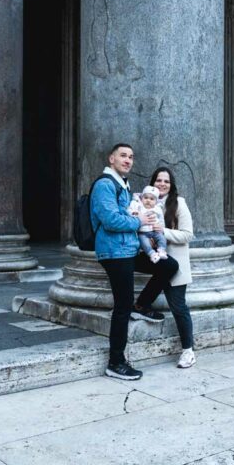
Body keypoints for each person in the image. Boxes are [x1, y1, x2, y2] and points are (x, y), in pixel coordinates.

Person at [90, 143, 179, 380]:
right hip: (114, 252)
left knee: (169, 265)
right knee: (121, 306)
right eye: (123, 156)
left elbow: (130, 215)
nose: (128, 160)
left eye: (131, 156)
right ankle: (116, 362)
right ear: (111, 159)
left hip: (128, 249)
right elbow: (111, 221)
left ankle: (141, 305)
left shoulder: (124, 185)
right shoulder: (105, 185)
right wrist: (139, 221)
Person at [136, 167, 197, 368]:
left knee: (178, 308)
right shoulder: (144, 202)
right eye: (158, 180)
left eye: (166, 181)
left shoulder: (178, 203)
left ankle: (188, 351)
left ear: (172, 185)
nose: (162, 184)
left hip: (175, 263)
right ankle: (140, 304)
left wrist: (164, 231)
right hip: (154, 259)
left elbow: (188, 235)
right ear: (152, 183)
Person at [128, 185, 168, 263]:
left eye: (151, 199)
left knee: (162, 239)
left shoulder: (157, 209)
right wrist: (134, 213)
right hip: (143, 232)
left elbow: (161, 220)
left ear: (156, 201)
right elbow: (129, 211)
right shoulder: (138, 206)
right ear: (141, 198)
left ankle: (161, 250)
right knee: (144, 243)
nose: (148, 200)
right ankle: (152, 254)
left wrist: (161, 228)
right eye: (145, 198)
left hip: (155, 231)